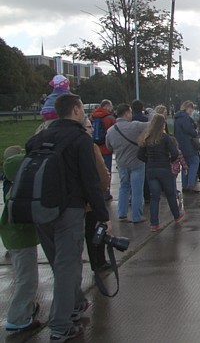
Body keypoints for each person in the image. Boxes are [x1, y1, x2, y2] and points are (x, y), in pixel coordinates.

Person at [26, 93, 111, 342]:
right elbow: (90, 180)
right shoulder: (79, 139)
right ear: (75, 110)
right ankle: (61, 324)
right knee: (68, 266)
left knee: (58, 263)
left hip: (40, 208)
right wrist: (101, 214)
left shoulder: (39, 138)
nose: (84, 113)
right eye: (82, 109)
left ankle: (73, 303)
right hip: (70, 209)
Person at [1, 146, 41, 333]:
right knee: (27, 280)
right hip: (21, 241)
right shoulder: (19, 194)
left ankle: (28, 308)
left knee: (24, 277)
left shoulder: (11, 190)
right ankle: (17, 318)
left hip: (15, 240)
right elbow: (24, 220)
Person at [137, 114, 185, 232]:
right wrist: (169, 160)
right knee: (170, 194)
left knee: (155, 197)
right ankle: (177, 215)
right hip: (164, 168)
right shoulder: (164, 137)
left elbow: (139, 155)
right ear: (162, 125)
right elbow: (174, 152)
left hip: (151, 169)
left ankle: (154, 223)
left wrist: (148, 161)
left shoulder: (146, 137)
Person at [106, 104, 148, 223]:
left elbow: (109, 147)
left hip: (121, 163)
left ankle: (122, 213)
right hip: (136, 161)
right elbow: (152, 125)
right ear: (126, 113)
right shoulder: (135, 126)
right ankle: (137, 216)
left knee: (123, 187)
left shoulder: (110, 131)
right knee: (137, 190)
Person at [82, 115, 111, 273]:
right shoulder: (89, 146)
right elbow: (101, 175)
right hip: (90, 200)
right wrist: (103, 187)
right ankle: (99, 262)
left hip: (70, 201)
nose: (92, 129)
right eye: (89, 127)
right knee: (95, 230)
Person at [174, 100, 200, 194]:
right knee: (194, 162)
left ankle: (184, 185)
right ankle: (191, 184)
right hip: (188, 144)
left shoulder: (176, 118)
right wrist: (195, 132)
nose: (192, 110)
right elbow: (188, 130)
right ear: (187, 108)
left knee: (185, 165)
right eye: (191, 108)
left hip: (180, 144)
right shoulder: (185, 118)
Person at [91, 100, 115, 200]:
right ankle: (106, 192)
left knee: (95, 170)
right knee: (107, 170)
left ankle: (97, 192)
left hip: (94, 147)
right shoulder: (109, 118)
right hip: (106, 148)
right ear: (107, 106)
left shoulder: (92, 117)